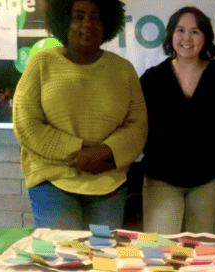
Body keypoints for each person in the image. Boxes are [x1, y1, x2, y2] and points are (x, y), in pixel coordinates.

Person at [13, 0, 148, 230]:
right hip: (52, 181)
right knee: (61, 259)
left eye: (96, 17)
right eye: (78, 16)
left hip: (109, 182)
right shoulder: (41, 63)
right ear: (63, 21)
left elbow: (138, 126)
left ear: (107, 23)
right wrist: (79, 151)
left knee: (103, 261)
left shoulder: (123, 70)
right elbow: (26, 122)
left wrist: (104, 153)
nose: (88, 24)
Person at [139, 6, 215, 235]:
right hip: (161, 179)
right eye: (180, 30)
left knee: (201, 253)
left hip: (208, 180)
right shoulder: (152, 79)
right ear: (171, 35)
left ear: (206, 37)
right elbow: (137, 125)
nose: (187, 38)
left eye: (195, 31)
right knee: (157, 251)